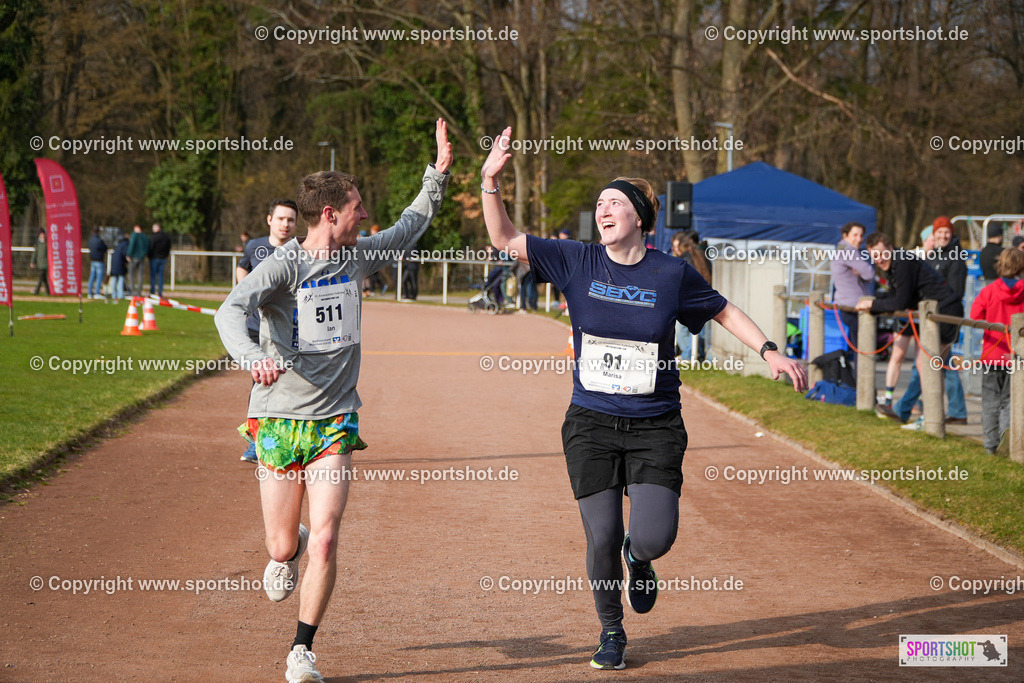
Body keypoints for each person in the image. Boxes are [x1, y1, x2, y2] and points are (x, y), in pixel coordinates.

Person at [480, 126, 807, 671]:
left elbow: (723, 310)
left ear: (639, 217)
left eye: (614, 203)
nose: (602, 209)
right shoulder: (576, 260)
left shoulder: (670, 272)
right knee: (601, 535)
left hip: (655, 423)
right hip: (591, 421)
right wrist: (491, 182)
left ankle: (640, 558)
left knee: (652, 538)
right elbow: (504, 239)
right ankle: (611, 631)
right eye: (599, 203)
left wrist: (769, 350)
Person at [214, 119, 451, 683]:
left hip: (335, 419)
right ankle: (282, 549)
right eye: (356, 207)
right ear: (330, 214)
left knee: (326, 535)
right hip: (276, 415)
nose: (364, 215)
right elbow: (229, 311)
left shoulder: (357, 256)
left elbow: (408, 227)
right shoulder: (283, 266)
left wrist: (436, 174)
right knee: (282, 543)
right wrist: (252, 358)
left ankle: (302, 650)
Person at [858, 233, 964, 424]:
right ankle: (908, 411)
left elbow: (901, 301)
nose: (879, 259)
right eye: (875, 256)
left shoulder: (903, 262)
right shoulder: (895, 264)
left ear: (890, 248)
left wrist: (872, 306)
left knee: (928, 365)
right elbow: (895, 295)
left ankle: (931, 418)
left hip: (944, 312)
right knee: (930, 365)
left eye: (882, 254)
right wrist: (873, 301)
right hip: (932, 313)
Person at [234, 198, 299, 463]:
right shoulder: (255, 246)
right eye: (281, 218)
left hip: (290, 332)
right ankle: (256, 441)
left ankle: (293, 440)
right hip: (255, 329)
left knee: (290, 385)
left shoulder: (301, 249)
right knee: (262, 382)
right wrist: (246, 292)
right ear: (269, 219)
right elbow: (242, 266)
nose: (286, 224)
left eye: (291, 220)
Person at [970, 248, 1024, 453]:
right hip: (1017, 355)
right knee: (1011, 400)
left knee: (990, 401)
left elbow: (975, 316)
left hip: (992, 353)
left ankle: (990, 444)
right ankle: (1005, 437)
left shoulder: (989, 290)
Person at [828, 222, 874, 359]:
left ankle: (858, 378)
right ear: (845, 235)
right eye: (855, 235)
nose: (859, 239)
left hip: (845, 303)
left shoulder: (840, 248)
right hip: (854, 306)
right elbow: (869, 273)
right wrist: (862, 271)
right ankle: (861, 379)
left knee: (858, 347)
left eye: (861, 235)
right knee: (862, 349)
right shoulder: (848, 251)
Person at [671, 231, 712, 361]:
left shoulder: (683, 259)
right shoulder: (702, 256)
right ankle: (695, 355)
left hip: (688, 299)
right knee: (700, 331)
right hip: (704, 298)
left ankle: (688, 355)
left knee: (683, 329)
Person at [148, 223, 171, 297]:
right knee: (161, 276)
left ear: (157, 228)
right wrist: (166, 255)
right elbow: (168, 247)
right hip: (163, 258)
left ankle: (152, 291)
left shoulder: (153, 237)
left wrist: (149, 256)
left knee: (153, 275)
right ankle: (160, 292)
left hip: (154, 258)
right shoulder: (166, 237)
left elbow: (150, 247)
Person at [126, 225, 149, 297]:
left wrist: (129, 254)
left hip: (134, 257)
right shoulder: (145, 236)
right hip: (142, 258)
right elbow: (147, 247)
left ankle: (132, 291)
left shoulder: (134, 235)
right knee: (140, 275)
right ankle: (139, 292)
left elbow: (132, 245)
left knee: (131, 274)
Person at [86, 228, 108, 299]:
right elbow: (105, 248)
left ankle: (89, 293)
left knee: (92, 277)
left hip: (92, 260)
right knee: (99, 277)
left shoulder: (90, 240)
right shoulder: (99, 241)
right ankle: (97, 292)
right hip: (99, 261)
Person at [110, 231, 129, 303]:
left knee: (114, 278)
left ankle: (114, 294)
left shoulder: (118, 243)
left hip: (114, 263)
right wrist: (127, 260)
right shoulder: (126, 244)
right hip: (120, 263)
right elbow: (125, 253)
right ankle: (120, 294)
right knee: (121, 278)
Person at [31, 229, 48, 295]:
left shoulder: (47, 243)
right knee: (44, 279)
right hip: (39, 263)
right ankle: (48, 291)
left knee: (41, 278)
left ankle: (36, 291)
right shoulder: (37, 244)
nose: (43, 235)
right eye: (41, 234)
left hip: (45, 264)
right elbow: (35, 254)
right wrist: (32, 262)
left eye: (43, 234)